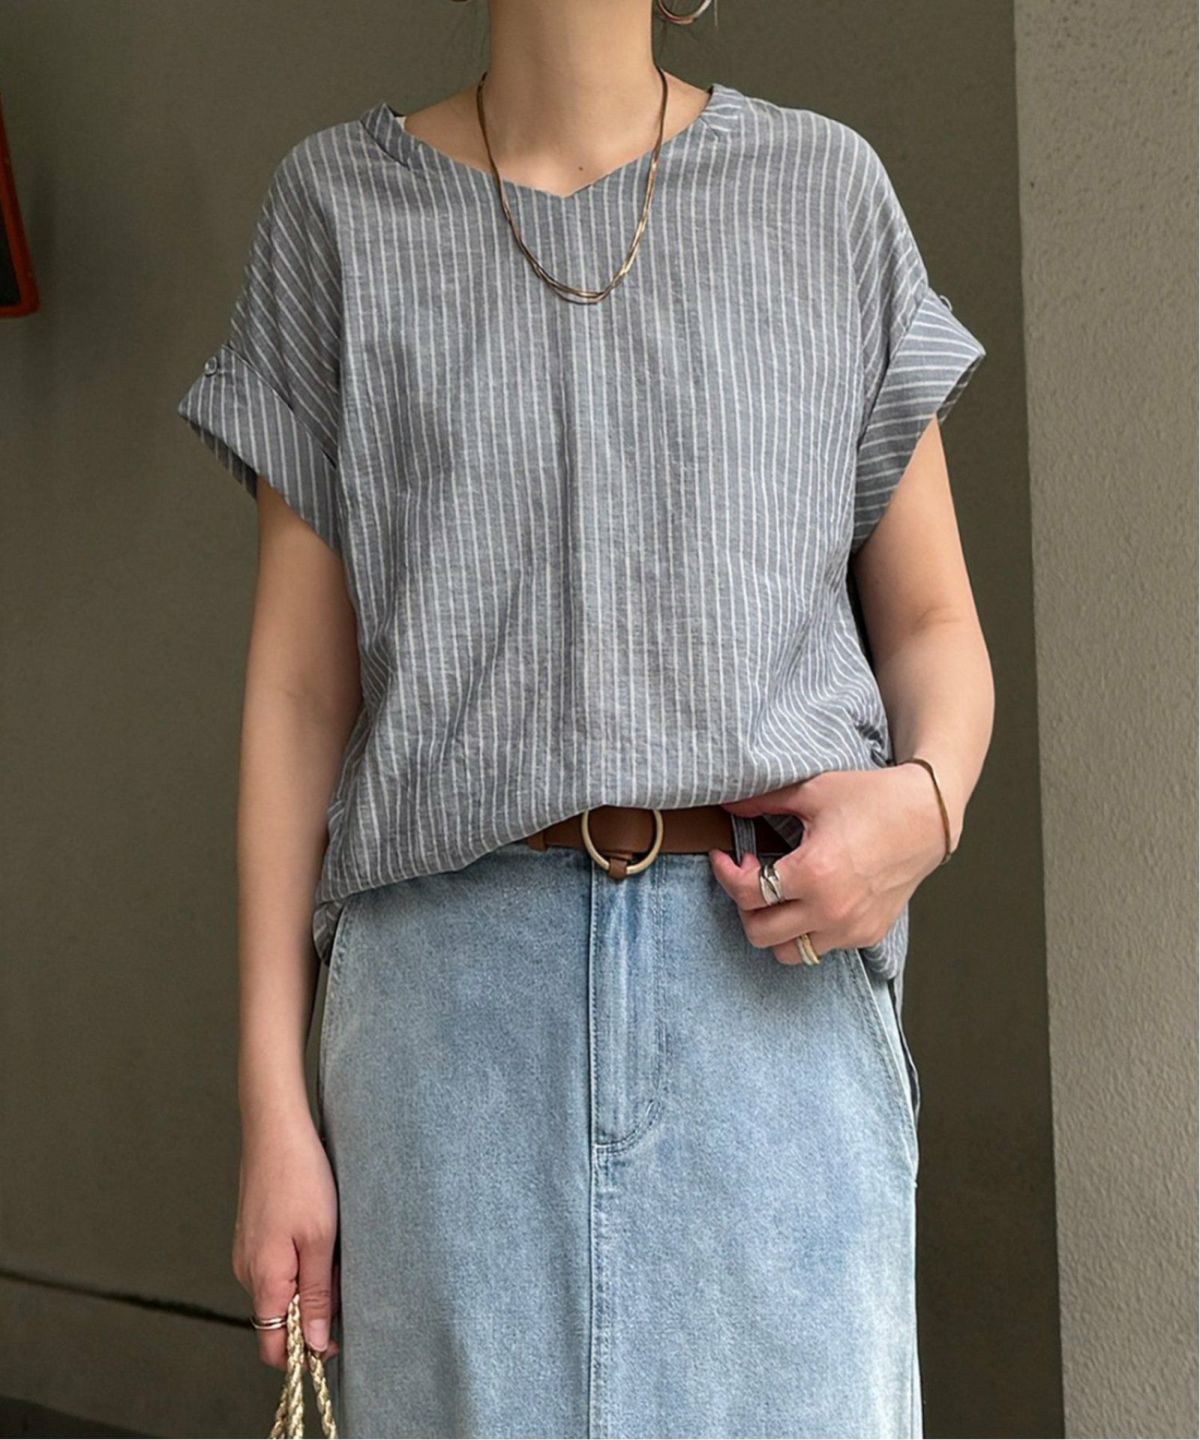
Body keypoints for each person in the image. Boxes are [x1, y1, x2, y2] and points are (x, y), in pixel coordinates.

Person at [175, 2, 994, 1435]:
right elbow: (299, 694)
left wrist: (928, 805)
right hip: (446, 1030)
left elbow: (933, 626)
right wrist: (270, 1106)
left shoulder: (825, 193)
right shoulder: (337, 211)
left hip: (767, 1002)